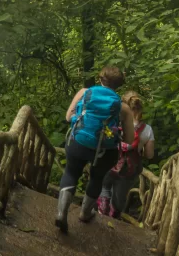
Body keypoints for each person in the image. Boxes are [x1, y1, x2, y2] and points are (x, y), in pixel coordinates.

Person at [55, 65, 135, 232]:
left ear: (100, 79)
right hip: (105, 150)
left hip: (79, 142)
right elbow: (129, 140)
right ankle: (85, 213)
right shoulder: (124, 108)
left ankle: (61, 213)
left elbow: (69, 116)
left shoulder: (85, 92)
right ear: (119, 85)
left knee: (71, 173)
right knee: (97, 179)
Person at [98, 91, 154, 218]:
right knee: (119, 197)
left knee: (104, 186)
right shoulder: (147, 129)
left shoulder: (114, 122)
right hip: (129, 168)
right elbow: (150, 155)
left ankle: (102, 209)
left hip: (110, 161)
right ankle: (114, 215)